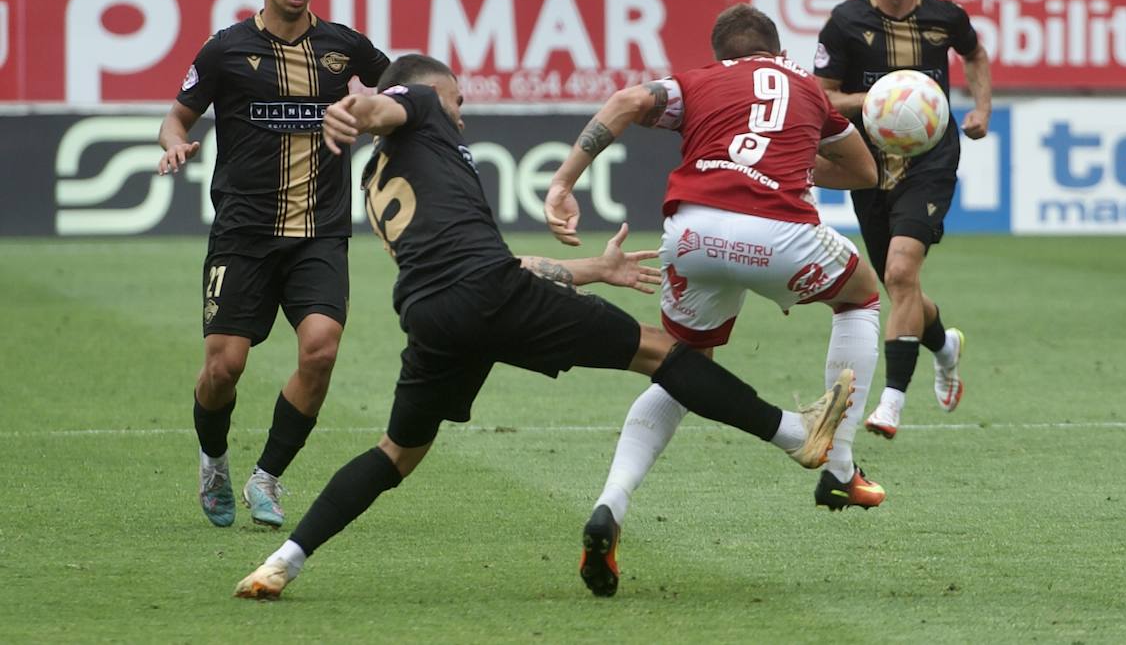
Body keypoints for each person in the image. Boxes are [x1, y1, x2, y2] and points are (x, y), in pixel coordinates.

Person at [232, 52, 855, 600]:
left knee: (397, 453)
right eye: (458, 100)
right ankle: (793, 434)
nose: (461, 115)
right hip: (488, 294)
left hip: (432, 317)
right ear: (427, 91)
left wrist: (593, 269)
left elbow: (505, 263)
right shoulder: (416, 102)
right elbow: (383, 106)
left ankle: (283, 561)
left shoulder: (380, 179)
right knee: (663, 351)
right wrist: (354, 108)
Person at [543, 4, 886, 595]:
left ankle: (611, 505)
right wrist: (794, 159)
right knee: (861, 298)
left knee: (679, 368)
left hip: (693, 232)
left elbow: (625, 103)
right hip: (778, 232)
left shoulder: (699, 81)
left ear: (723, 54)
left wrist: (562, 183)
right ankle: (838, 467)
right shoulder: (806, 87)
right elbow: (863, 172)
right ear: (778, 52)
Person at [156, 0, 391, 529]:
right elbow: (176, 118)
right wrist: (176, 144)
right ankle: (213, 460)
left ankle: (267, 478)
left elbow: (399, 95)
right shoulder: (225, 50)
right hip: (243, 233)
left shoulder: (345, 47)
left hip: (319, 231)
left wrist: (376, 116)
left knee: (321, 350)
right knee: (223, 368)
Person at [814, 0, 993, 438]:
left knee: (898, 273)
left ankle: (890, 402)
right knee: (904, 289)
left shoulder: (944, 17)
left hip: (931, 159)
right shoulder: (845, 22)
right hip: (867, 167)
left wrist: (982, 106)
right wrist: (877, 101)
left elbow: (975, 55)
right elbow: (822, 96)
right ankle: (945, 345)